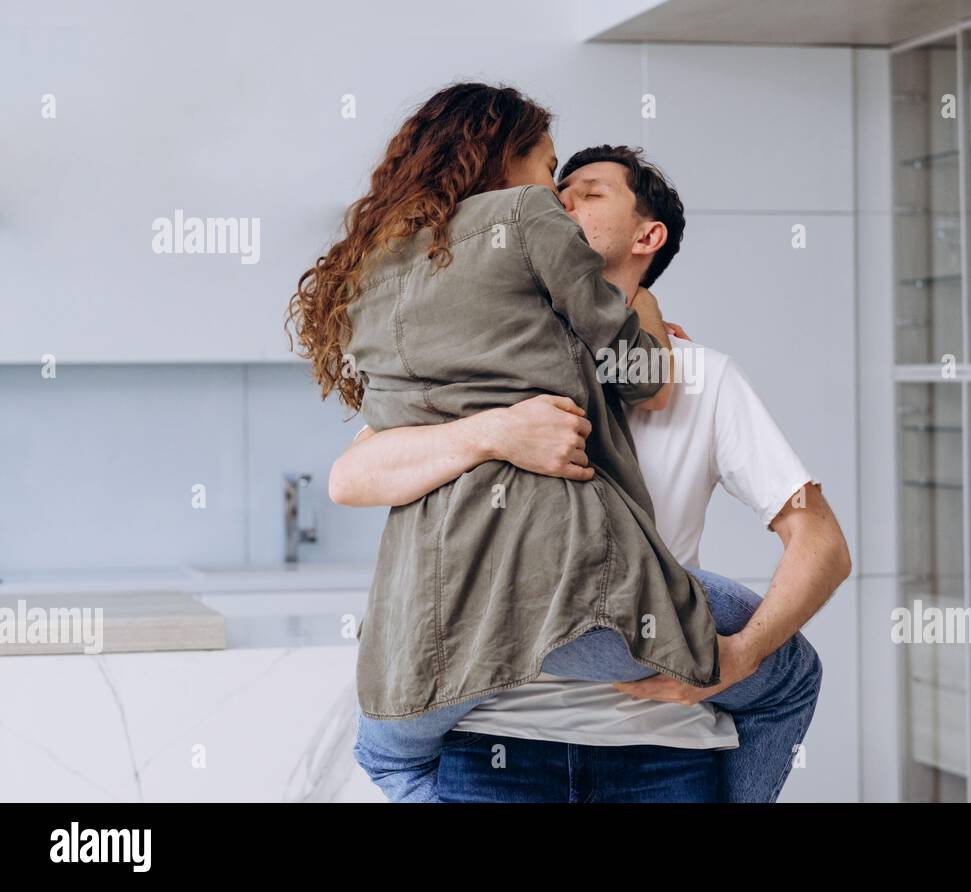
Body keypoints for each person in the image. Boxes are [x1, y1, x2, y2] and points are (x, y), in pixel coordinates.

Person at [288, 83, 837, 803]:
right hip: (496, 740)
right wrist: (493, 432)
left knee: (387, 750)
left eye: (586, 191)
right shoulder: (492, 363)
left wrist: (738, 658)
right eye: (554, 180)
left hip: (658, 748)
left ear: (647, 238)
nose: (559, 199)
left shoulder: (702, 376)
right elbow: (351, 477)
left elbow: (821, 542)